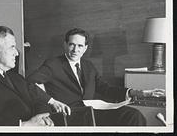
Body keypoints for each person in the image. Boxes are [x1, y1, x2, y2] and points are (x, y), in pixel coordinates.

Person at [27, 27, 165, 126]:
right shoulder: (53, 64)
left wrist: (137, 92)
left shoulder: (88, 66)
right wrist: (52, 101)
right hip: (70, 115)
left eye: (80, 46)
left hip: (91, 111)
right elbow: (30, 82)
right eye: (72, 45)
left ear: (85, 48)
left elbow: (105, 89)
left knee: (132, 115)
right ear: (65, 45)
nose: (75, 50)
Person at [0, 26, 71, 126]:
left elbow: (38, 101)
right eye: (12, 47)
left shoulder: (16, 77)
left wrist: (42, 118)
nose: (17, 53)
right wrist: (23, 125)